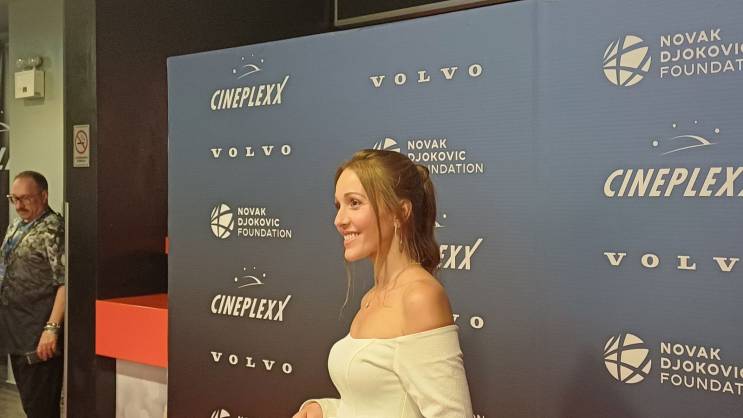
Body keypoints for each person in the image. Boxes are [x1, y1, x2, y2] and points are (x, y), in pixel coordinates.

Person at [294, 150, 473, 418]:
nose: (339, 220)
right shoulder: (371, 297)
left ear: (400, 212)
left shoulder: (420, 297)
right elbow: (373, 406)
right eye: (338, 205)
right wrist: (325, 409)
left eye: (354, 203)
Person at [0, 171, 65, 418]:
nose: (18, 206)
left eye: (25, 198)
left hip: (37, 332)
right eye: (13, 199)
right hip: (15, 329)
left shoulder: (53, 229)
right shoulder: (16, 225)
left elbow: (65, 282)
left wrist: (51, 328)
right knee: (29, 403)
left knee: (40, 407)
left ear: (44, 196)